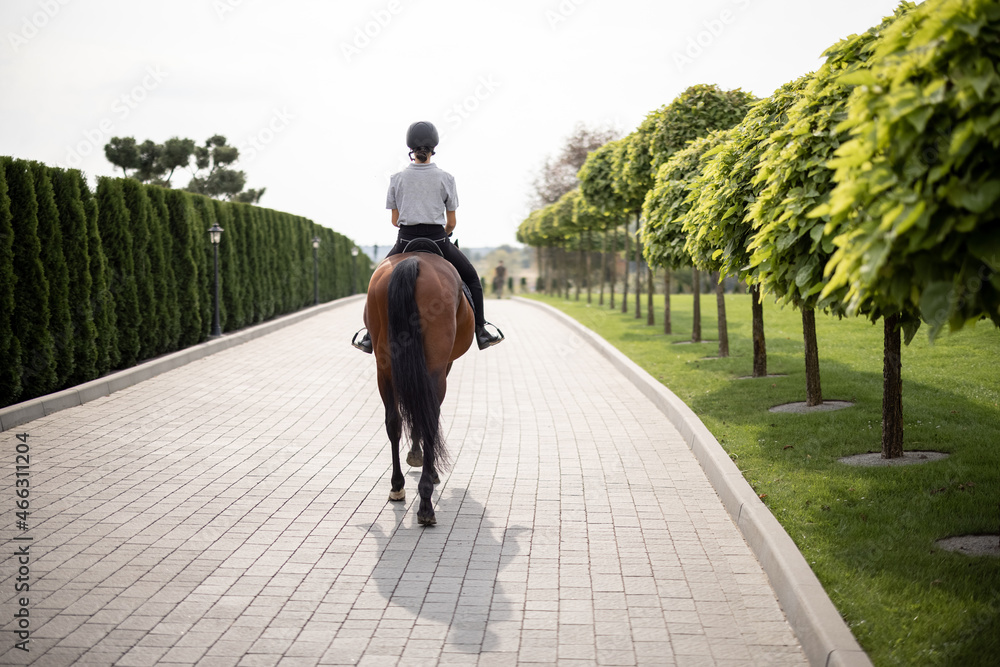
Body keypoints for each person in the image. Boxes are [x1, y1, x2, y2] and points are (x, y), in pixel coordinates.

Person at [354, 121, 503, 353]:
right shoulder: (446, 178)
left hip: (404, 241)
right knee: (472, 278)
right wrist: (444, 233)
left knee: (376, 281)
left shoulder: (396, 179)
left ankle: (369, 336)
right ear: (433, 147)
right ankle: (482, 331)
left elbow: (395, 221)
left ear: (410, 149)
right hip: (437, 240)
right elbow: (451, 222)